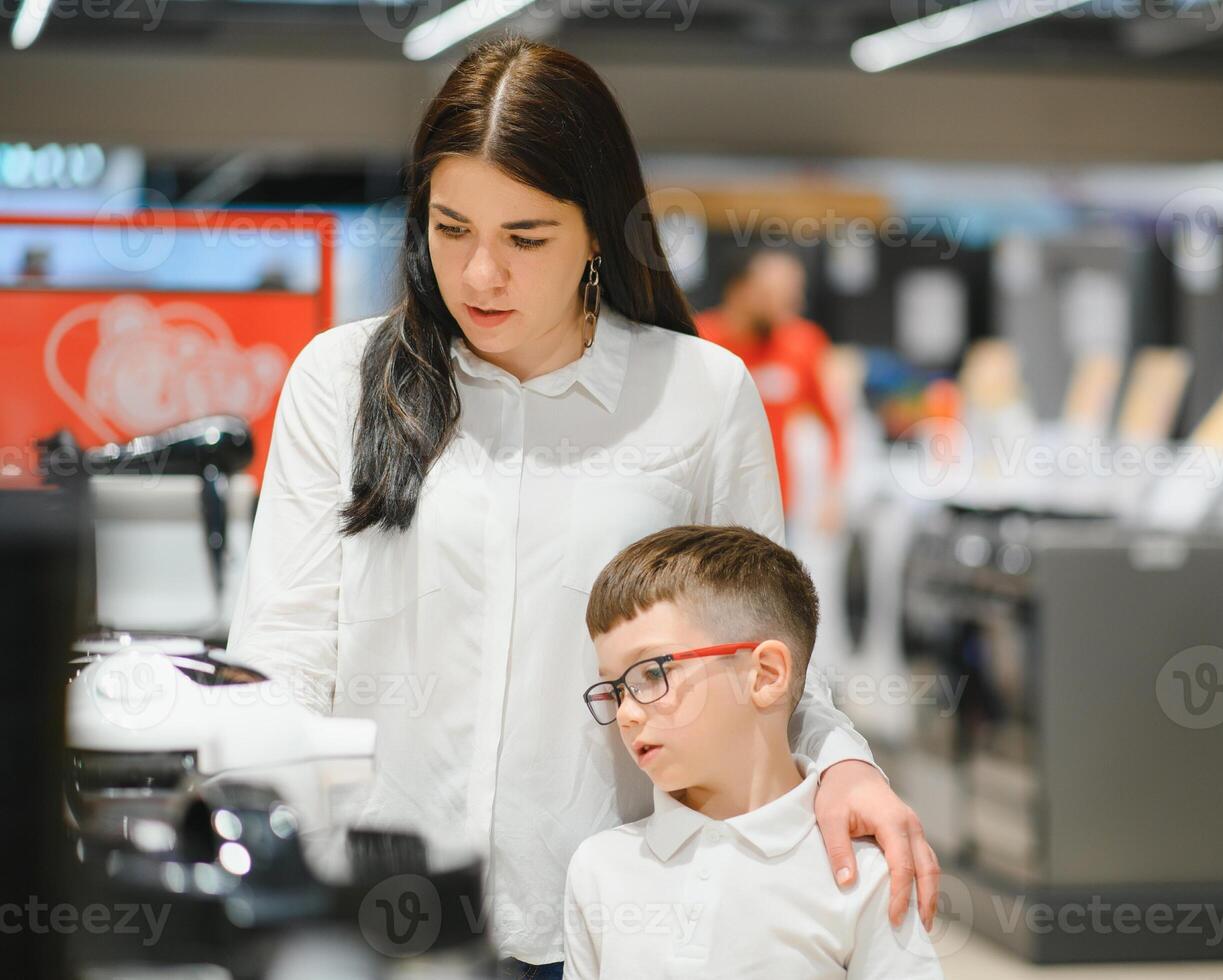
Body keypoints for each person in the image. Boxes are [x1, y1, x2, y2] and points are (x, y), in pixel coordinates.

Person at [223, 35, 938, 977]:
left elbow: (764, 643)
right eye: (450, 229)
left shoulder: (699, 394)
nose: (480, 275)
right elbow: (283, 652)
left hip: (617, 921)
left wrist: (845, 762)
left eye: (525, 238)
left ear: (599, 228)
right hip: (380, 915)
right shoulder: (344, 381)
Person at [565, 525, 942, 978]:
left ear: (765, 675)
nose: (626, 713)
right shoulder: (600, 868)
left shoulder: (864, 874)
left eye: (650, 673)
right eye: (617, 689)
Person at [694, 250, 846, 531]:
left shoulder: (803, 343)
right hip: (704, 505)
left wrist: (833, 493)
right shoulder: (698, 340)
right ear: (740, 290)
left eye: (794, 295)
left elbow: (833, 423)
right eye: (778, 295)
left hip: (774, 507)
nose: (794, 305)